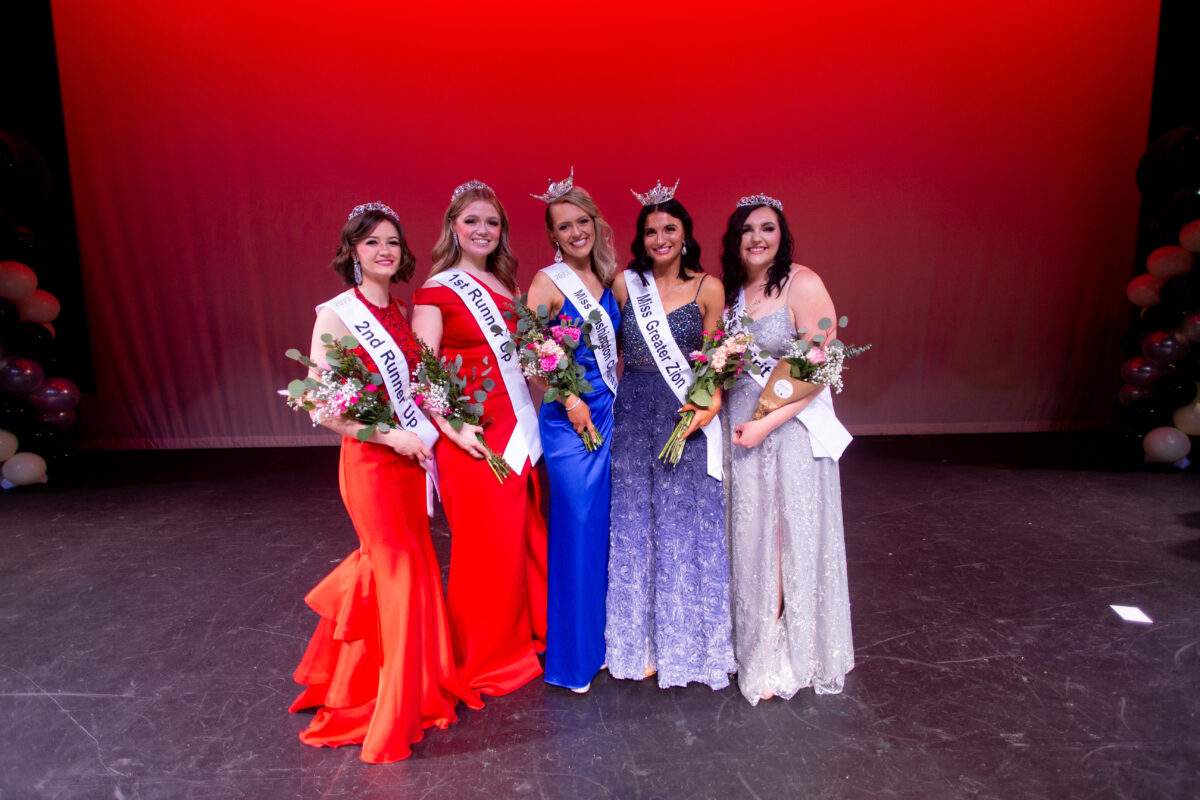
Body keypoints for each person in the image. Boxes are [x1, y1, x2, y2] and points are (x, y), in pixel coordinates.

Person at [289, 202, 482, 763]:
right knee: (395, 574)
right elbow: (321, 407)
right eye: (372, 242)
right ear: (353, 251)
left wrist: (449, 427)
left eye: (392, 243)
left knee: (411, 573)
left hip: (409, 461)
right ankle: (391, 707)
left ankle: (379, 685)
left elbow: (420, 389)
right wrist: (387, 436)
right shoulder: (337, 315)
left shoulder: (401, 310)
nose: (384, 251)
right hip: (373, 465)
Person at [411, 180, 548, 696]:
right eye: (472, 220)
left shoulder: (507, 288)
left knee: (522, 536)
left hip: (519, 429)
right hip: (472, 435)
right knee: (484, 548)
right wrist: (453, 427)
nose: (483, 230)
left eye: (492, 222)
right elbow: (421, 371)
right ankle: (487, 656)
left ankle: (528, 634)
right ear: (453, 227)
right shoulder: (435, 291)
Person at [719, 194, 854, 705]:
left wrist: (767, 423)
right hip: (742, 428)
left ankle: (783, 651)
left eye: (767, 228)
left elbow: (818, 368)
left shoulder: (804, 281)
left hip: (788, 430)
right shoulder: (736, 291)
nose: (757, 238)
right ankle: (751, 640)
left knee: (783, 540)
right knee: (751, 535)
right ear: (735, 239)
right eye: (747, 229)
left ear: (782, 235)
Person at [605, 180, 736, 690]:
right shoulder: (623, 284)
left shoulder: (709, 288)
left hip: (686, 413)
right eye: (651, 230)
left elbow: (718, 360)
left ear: (685, 235)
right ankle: (636, 644)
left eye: (670, 229)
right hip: (634, 413)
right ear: (642, 237)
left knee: (685, 526)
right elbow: (604, 352)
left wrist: (713, 401)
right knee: (636, 525)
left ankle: (690, 646)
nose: (661, 238)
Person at [525, 171, 621, 693]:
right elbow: (530, 352)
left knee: (604, 535)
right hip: (571, 425)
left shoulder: (609, 278)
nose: (576, 232)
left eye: (583, 221)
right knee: (577, 532)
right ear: (554, 236)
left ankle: (601, 642)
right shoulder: (547, 282)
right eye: (565, 226)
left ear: (595, 224)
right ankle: (572, 660)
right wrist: (569, 398)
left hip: (610, 415)